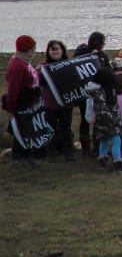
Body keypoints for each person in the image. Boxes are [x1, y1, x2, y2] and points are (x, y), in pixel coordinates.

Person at [72, 31, 110, 157]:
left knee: (98, 119)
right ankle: (86, 148)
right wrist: (90, 55)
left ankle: (97, 147)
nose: (100, 46)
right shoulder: (81, 52)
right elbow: (75, 66)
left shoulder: (102, 55)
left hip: (99, 92)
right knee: (85, 119)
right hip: (84, 92)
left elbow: (107, 70)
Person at [5, 35, 41, 165]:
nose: (34, 51)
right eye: (33, 48)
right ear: (27, 49)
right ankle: (18, 157)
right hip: (21, 103)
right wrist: (11, 109)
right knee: (21, 130)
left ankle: (26, 155)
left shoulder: (23, 62)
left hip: (28, 102)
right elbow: (13, 89)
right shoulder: (18, 66)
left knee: (27, 130)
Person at [40, 39, 77, 162]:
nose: (55, 51)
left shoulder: (68, 64)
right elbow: (39, 83)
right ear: (48, 51)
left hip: (66, 103)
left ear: (62, 50)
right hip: (50, 104)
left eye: (57, 48)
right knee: (50, 129)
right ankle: (51, 153)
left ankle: (69, 153)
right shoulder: (43, 67)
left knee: (66, 128)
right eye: (52, 49)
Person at [86, 67, 122, 173]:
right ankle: (118, 163)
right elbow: (102, 109)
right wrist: (114, 119)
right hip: (109, 122)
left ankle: (102, 161)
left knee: (104, 141)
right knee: (116, 140)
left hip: (102, 123)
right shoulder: (102, 93)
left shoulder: (102, 91)